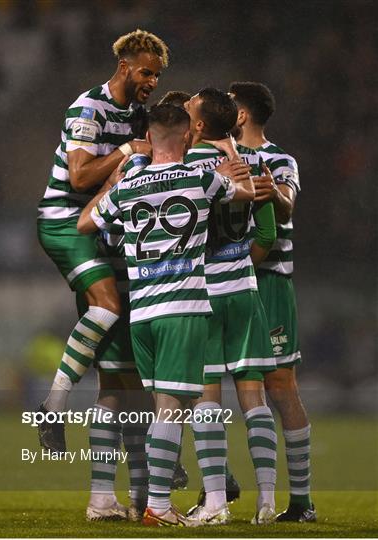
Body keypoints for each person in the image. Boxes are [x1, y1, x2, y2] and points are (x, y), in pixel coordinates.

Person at [78, 103, 254, 527]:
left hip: (142, 314)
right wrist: (231, 166)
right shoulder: (199, 177)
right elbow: (246, 194)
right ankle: (159, 504)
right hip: (183, 308)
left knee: (165, 405)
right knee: (174, 408)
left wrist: (115, 182)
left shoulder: (128, 186)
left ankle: (162, 501)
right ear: (188, 138)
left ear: (150, 138)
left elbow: (86, 223)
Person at [36, 29, 169, 453]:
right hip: (65, 220)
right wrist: (126, 151)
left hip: (105, 227)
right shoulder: (88, 108)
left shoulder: (137, 113)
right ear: (124, 66)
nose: (152, 82)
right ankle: (53, 406)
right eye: (147, 72)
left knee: (116, 362)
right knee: (108, 305)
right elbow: (79, 177)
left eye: (158, 76)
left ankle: (113, 491)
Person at [184, 88, 278, 524]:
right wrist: (239, 264)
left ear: (200, 122)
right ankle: (267, 501)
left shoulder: (185, 167)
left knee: (208, 397)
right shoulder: (255, 163)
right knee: (254, 397)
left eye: (189, 110)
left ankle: (216, 502)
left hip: (202, 292)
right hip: (244, 289)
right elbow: (266, 233)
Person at [229, 81, 316, 522]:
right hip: (224, 282)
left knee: (281, 386)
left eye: (230, 105)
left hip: (269, 283)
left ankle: (300, 501)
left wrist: (272, 191)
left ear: (241, 115)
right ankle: (219, 485)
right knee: (202, 385)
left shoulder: (279, 160)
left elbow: (287, 207)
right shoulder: (216, 156)